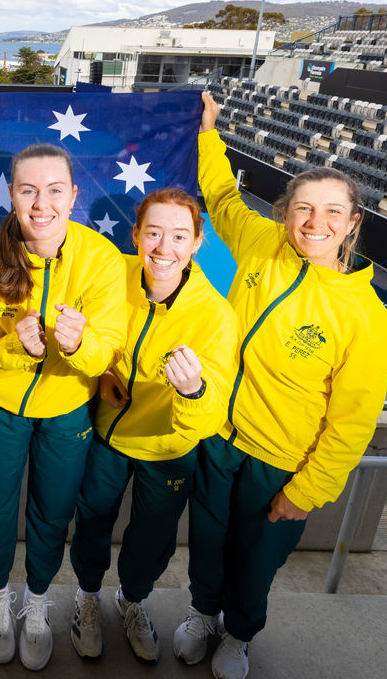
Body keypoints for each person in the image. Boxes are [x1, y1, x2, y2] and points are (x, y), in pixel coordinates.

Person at [172, 92, 387, 679]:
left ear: (353, 222)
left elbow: (352, 422)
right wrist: (206, 133)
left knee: (256, 563)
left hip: (282, 461)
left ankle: (239, 635)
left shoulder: (366, 317)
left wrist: (308, 490)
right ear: (284, 212)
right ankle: (202, 614)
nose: (313, 223)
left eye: (330, 212)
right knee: (207, 545)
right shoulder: (260, 243)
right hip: (218, 437)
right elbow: (220, 198)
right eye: (302, 208)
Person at [0, 142, 127, 671]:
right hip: (0, 405)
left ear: (74, 195)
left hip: (67, 408)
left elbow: (108, 347)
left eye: (54, 190)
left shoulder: (101, 258)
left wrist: (78, 346)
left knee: (53, 511)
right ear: (11, 195)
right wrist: (16, 344)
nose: (41, 203)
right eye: (29, 190)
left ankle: (36, 602)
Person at [67, 188, 238, 662]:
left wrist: (193, 393)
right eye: (155, 233)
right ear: (136, 234)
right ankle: (85, 597)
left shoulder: (215, 317)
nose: (164, 248)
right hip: (109, 434)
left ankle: (133, 600)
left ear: (198, 242)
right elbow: (88, 337)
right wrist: (101, 372)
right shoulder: (112, 276)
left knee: (151, 539)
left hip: (170, 447)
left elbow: (213, 410)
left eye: (179, 236)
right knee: (93, 523)